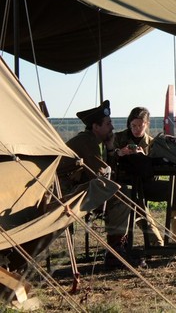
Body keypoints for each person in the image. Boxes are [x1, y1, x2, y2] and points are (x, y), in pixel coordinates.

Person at [58, 100, 132, 269]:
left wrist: (110, 149)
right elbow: (102, 176)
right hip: (64, 193)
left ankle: (117, 248)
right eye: (108, 124)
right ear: (96, 127)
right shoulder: (87, 142)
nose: (112, 128)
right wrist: (112, 151)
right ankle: (115, 252)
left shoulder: (90, 141)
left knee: (118, 193)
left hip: (73, 189)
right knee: (121, 196)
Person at [113, 107, 176, 247]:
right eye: (133, 125)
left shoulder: (153, 143)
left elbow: (157, 170)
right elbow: (107, 162)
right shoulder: (118, 139)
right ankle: (156, 241)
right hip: (125, 184)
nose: (137, 129)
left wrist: (144, 158)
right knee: (135, 198)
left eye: (140, 125)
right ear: (129, 124)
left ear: (147, 124)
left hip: (147, 183)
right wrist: (119, 153)